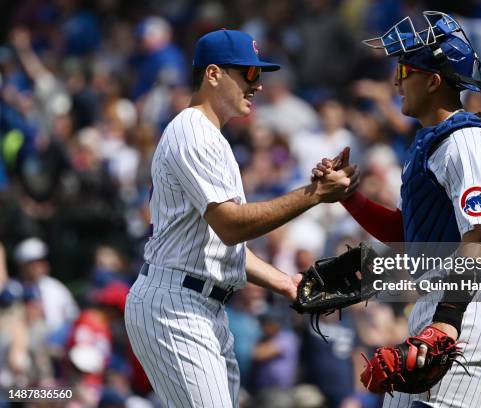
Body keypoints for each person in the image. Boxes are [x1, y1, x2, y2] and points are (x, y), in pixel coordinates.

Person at [123, 29, 358, 408]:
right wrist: (314, 195)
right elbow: (231, 225)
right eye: (249, 74)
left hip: (199, 302)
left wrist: (285, 283)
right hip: (176, 305)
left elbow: (219, 244)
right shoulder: (193, 132)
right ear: (213, 74)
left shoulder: (211, 137)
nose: (259, 86)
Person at [313, 12, 481, 407]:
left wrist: (448, 320)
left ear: (434, 80)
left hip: (466, 308)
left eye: (405, 69)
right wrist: (349, 198)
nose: (396, 81)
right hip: (442, 303)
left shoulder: (465, 141)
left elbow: (479, 234)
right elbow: (409, 233)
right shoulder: (433, 142)